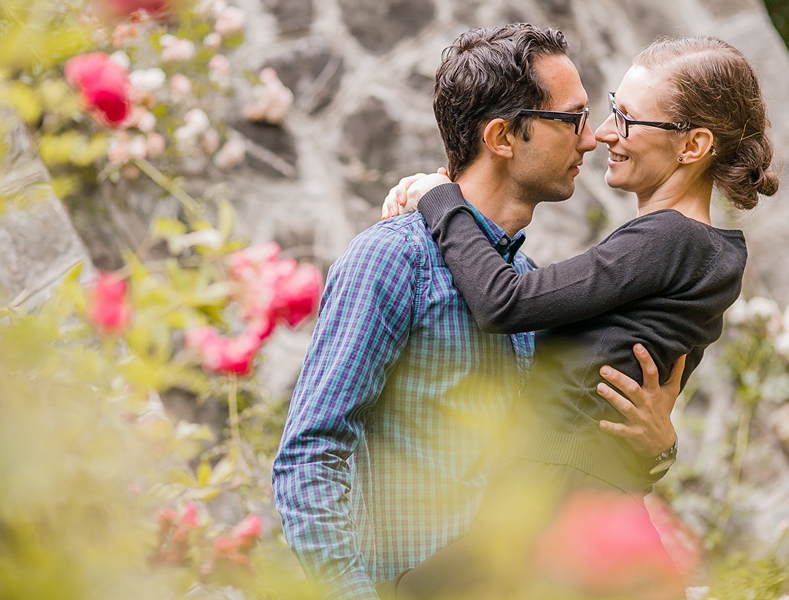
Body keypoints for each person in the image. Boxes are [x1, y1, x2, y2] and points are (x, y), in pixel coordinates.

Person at [271, 24, 683, 600]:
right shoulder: (392, 260)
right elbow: (309, 456)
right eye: (573, 119)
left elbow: (563, 480)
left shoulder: (530, 292)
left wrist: (653, 449)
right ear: (504, 137)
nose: (591, 141)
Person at [379, 35, 779, 599]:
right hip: (589, 499)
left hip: (554, 498)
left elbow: (506, 302)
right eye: (612, 109)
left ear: (693, 145)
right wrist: (656, 453)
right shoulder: (706, 252)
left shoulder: (669, 239)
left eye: (629, 120)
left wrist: (439, 199)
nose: (604, 134)